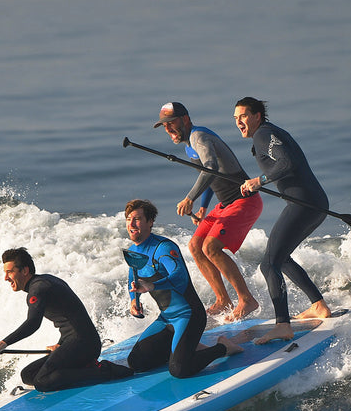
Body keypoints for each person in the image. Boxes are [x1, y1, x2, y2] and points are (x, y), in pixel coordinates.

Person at [153, 101, 263, 321]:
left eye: (171, 123)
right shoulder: (189, 144)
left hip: (244, 201)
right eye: (164, 125)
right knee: (195, 246)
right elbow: (212, 175)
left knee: (211, 247)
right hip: (224, 204)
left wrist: (190, 198)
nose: (168, 128)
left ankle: (246, 300)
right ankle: (223, 300)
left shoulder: (199, 137)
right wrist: (204, 205)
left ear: (185, 119)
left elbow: (210, 167)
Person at [235, 97, 331, 343]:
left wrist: (260, 180)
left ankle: (282, 325)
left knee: (269, 265)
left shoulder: (263, 134)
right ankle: (319, 305)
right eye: (236, 118)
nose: (239, 122)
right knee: (281, 257)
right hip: (314, 203)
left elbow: (287, 162)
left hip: (303, 204)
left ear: (257, 116)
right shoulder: (269, 132)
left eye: (243, 116)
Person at [124, 199, 243, 378]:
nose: (132, 224)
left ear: (150, 222)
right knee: (136, 362)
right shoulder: (134, 252)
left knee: (179, 370)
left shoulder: (163, 248)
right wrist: (134, 301)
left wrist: (153, 285)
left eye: (137, 219)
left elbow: (180, 277)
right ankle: (184, 348)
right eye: (128, 219)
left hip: (189, 315)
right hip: (167, 319)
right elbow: (131, 279)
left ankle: (223, 347)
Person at [0, 247, 132, 391]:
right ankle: (84, 366)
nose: (6, 278)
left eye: (10, 272)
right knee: (28, 375)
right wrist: (60, 344)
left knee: (42, 381)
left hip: (85, 344)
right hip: (75, 341)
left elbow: (33, 323)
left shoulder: (38, 289)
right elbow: (68, 318)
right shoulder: (44, 281)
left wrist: (4, 342)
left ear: (25, 270)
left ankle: (105, 370)